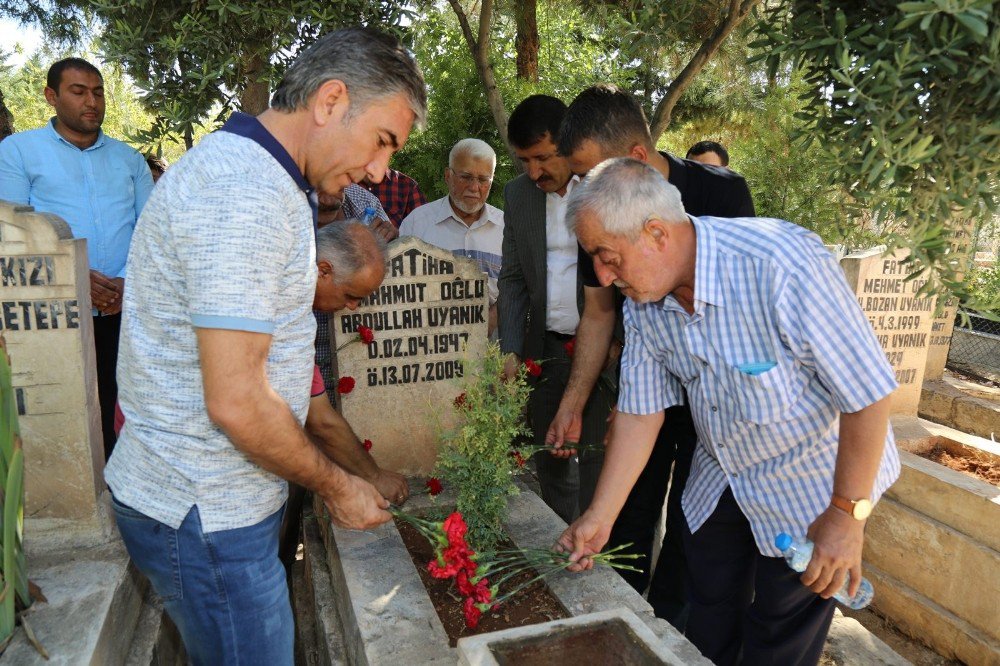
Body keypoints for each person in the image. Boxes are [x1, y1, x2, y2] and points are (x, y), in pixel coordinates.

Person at [104, 28, 426, 665]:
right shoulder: (245, 193)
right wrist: (338, 486)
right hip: (205, 515)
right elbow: (239, 403)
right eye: (383, 141)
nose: (379, 171)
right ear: (331, 101)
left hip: (208, 508)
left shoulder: (265, 181)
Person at [559, 157, 900, 666]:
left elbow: (868, 395)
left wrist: (846, 515)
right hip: (723, 477)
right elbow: (639, 412)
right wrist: (600, 517)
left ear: (655, 234)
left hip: (814, 487)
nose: (604, 278)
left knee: (777, 640)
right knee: (704, 620)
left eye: (607, 257)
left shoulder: (781, 264)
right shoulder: (645, 301)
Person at [547, 84, 755, 628]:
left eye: (588, 172)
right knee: (629, 508)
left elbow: (736, 320)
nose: (578, 188)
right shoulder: (592, 213)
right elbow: (600, 314)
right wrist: (576, 402)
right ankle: (621, 618)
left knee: (697, 529)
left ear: (636, 161)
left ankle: (671, 629)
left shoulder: (725, 198)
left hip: (722, 408)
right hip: (646, 385)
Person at [0, 57, 154, 460]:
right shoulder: (18, 152)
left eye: (98, 92)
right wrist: (74, 280)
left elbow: (151, 230)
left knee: (131, 414)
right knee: (69, 418)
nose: (92, 101)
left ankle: (128, 504)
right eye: (79, 91)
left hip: (126, 309)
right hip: (57, 313)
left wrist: (125, 282)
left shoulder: (128, 159)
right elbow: (14, 232)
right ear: (51, 96)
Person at [497, 95, 614, 523]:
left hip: (604, 353)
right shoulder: (518, 195)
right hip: (543, 350)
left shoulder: (607, 188)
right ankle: (563, 545)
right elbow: (512, 278)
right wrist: (510, 350)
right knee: (551, 460)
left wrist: (620, 344)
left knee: (600, 466)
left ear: (567, 144)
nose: (534, 172)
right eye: (524, 161)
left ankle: (603, 566)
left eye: (543, 158)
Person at [400, 138, 503, 335]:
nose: (474, 187)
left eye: (483, 180)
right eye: (466, 177)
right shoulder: (417, 225)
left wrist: (490, 321)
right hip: (432, 348)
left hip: (493, 350)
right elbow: (402, 290)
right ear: (448, 176)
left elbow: (517, 288)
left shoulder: (507, 228)